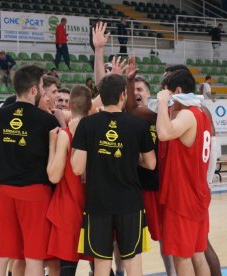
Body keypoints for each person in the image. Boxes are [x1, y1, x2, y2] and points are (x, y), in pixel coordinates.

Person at [71, 74, 156, 276]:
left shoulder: (87, 125)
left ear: (101, 95)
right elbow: (151, 164)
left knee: (101, 262)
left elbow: (76, 168)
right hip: (130, 203)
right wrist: (130, 156)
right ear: (123, 95)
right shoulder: (138, 125)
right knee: (132, 261)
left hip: (98, 203)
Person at [0, 65, 59, 276]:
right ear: (34, 90)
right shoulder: (47, 120)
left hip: (5, 193)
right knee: (34, 257)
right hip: (35, 194)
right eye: (42, 86)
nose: (43, 91)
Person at [156, 68, 212, 276]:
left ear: (177, 90)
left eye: (167, 92)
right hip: (197, 194)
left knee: (182, 257)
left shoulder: (189, 114)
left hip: (183, 199)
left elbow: (164, 133)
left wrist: (162, 102)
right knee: (198, 254)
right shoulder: (201, 114)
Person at [46, 85, 92, 276]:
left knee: (67, 268)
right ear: (90, 108)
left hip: (68, 208)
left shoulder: (65, 134)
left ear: (69, 105)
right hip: (93, 207)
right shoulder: (97, 130)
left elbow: (54, 176)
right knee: (101, 265)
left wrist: (52, 144)